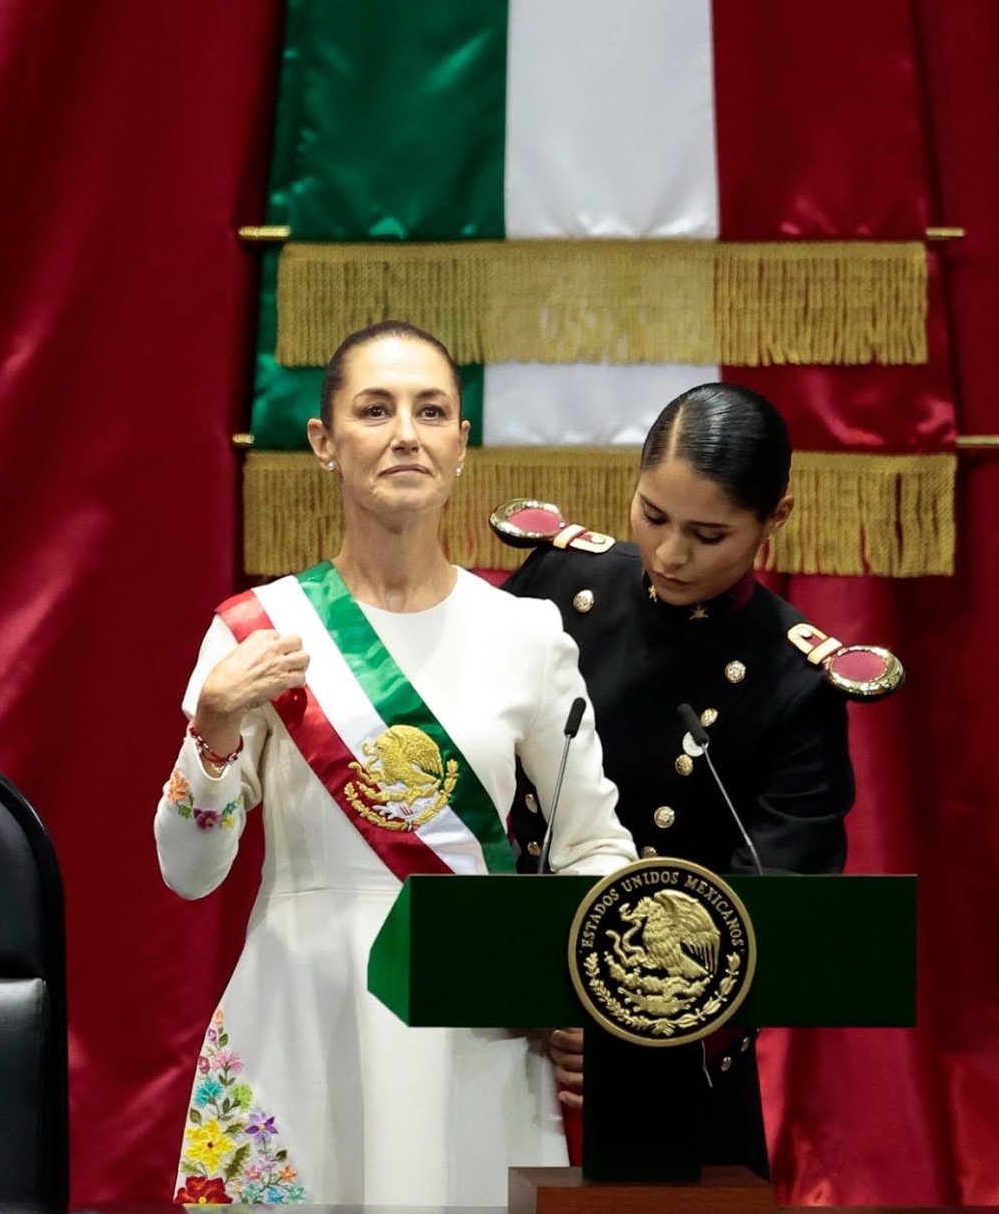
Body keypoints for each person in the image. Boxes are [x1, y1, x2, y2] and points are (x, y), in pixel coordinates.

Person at [155, 320, 635, 1208]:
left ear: (461, 443)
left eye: (432, 410)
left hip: (473, 1029)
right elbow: (189, 871)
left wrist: (584, 992)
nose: (406, 432)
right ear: (325, 442)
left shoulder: (526, 635)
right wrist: (215, 725)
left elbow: (596, 848)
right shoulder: (256, 631)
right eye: (374, 410)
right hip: (305, 1019)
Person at [503, 381, 857, 1178]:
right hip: (506, 1022)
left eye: (708, 533)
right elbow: (470, 787)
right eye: (652, 515)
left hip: (676, 1054)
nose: (669, 554)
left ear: (777, 518)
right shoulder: (558, 589)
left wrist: (637, 1026)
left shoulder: (793, 679)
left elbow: (775, 902)